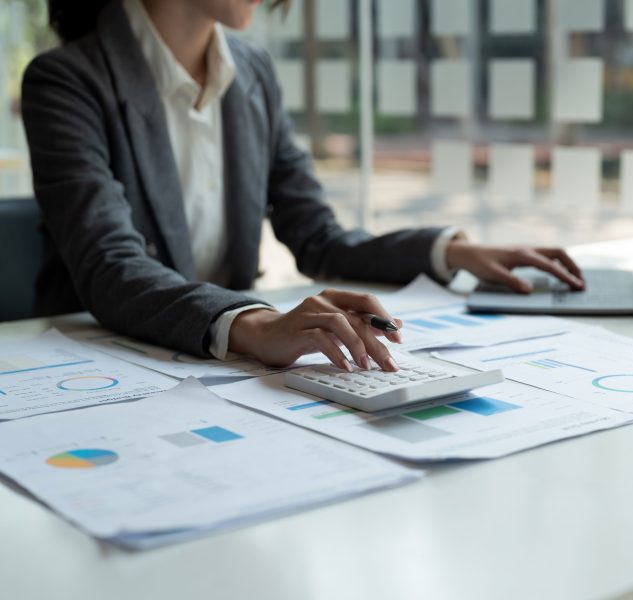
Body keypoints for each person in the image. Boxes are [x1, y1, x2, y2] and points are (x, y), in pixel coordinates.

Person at [22, 0, 584, 372]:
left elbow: (317, 237)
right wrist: (255, 323)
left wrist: (450, 251)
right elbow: (111, 267)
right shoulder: (67, 81)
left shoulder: (253, 73)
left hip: (227, 375)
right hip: (106, 368)